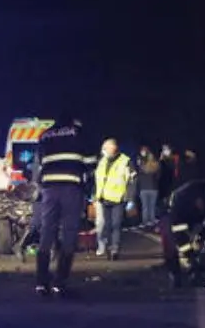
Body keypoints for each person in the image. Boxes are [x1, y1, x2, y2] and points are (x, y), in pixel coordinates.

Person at [35, 114, 88, 296]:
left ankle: (41, 282)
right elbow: (89, 162)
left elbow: (40, 163)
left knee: (47, 231)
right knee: (69, 233)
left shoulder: (45, 135)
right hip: (71, 187)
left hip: (49, 188)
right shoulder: (78, 132)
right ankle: (60, 281)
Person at [158, 179, 205, 287]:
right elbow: (179, 234)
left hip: (192, 218)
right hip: (169, 214)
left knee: (201, 242)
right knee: (170, 244)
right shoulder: (180, 203)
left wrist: (202, 240)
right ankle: (175, 274)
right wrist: (190, 255)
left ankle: (199, 269)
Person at [95, 139, 135, 260]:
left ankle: (114, 249)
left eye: (105, 148)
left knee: (116, 225)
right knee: (106, 226)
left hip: (118, 199)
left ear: (112, 148)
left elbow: (132, 181)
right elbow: (98, 179)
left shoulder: (125, 161)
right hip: (103, 199)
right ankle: (108, 247)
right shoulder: (102, 161)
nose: (103, 151)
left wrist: (130, 198)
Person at [136, 146, 160, 228]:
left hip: (144, 188)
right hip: (153, 188)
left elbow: (138, 176)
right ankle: (152, 221)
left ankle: (145, 222)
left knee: (145, 207)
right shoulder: (155, 164)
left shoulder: (141, 164)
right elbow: (158, 176)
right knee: (151, 207)